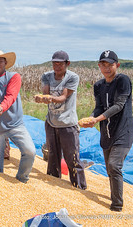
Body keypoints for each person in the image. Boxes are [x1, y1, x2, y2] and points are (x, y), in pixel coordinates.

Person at [80, 50, 133, 212]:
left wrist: (97, 120)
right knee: (110, 169)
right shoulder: (98, 86)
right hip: (107, 133)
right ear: (99, 66)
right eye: (103, 64)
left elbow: (119, 105)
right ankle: (114, 193)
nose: (106, 68)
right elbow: (99, 108)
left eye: (110, 64)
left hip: (123, 132)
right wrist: (91, 117)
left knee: (114, 165)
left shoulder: (123, 80)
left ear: (117, 65)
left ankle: (117, 205)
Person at [0, 50, 35, 183]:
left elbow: (11, 96)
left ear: (5, 63)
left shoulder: (14, 77)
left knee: (30, 151)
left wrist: (0, 109)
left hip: (15, 124)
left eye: (0, 61)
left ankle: (22, 178)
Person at [35, 50, 87, 190]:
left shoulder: (72, 77)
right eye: (54, 63)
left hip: (68, 124)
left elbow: (63, 97)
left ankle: (79, 187)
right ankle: (54, 187)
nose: (57, 66)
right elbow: (46, 93)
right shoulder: (46, 76)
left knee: (72, 158)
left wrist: (48, 98)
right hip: (51, 122)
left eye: (60, 64)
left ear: (67, 64)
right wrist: (42, 98)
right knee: (52, 155)